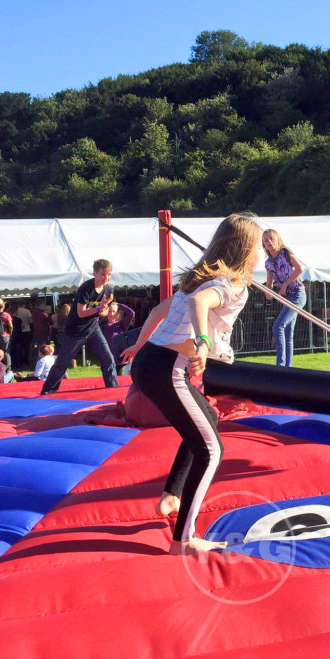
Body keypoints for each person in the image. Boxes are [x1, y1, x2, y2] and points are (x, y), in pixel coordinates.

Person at [121, 212, 263, 555]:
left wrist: (138, 347)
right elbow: (201, 304)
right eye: (259, 247)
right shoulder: (231, 284)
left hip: (150, 362)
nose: (262, 255)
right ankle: (183, 540)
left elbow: (157, 312)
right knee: (212, 450)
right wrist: (203, 342)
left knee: (207, 421)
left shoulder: (198, 280)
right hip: (166, 368)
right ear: (246, 251)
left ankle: (172, 495)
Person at [40, 260, 118, 395]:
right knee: (62, 362)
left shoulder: (108, 289)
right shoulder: (86, 288)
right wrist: (98, 308)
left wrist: (103, 309)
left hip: (93, 329)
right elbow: (81, 313)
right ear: (95, 274)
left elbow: (104, 313)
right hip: (75, 330)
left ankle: (113, 388)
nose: (106, 277)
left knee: (108, 358)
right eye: (103, 274)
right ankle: (48, 390)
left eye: (109, 274)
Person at [263, 229, 306, 367]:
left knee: (278, 327)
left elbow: (299, 269)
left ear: (277, 239)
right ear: (264, 245)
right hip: (286, 299)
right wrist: (268, 292)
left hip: (297, 295)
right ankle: (287, 369)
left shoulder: (286, 253)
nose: (269, 242)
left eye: (271, 238)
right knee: (287, 333)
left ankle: (280, 366)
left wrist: (285, 285)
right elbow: (269, 283)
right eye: (266, 240)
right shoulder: (268, 263)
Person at [99, 300, 135, 366]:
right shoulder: (102, 325)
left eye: (114, 311)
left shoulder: (121, 324)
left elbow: (131, 313)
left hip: (120, 359)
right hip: (108, 359)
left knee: (119, 373)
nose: (111, 314)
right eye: (109, 311)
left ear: (117, 313)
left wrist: (118, 305)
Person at [15, 301, 33, 367]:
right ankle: (26, 360)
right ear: (24, 304)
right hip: (27, 330)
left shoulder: (16, 311)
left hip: (18, 330)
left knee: (19, 346)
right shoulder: (27, 311)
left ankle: (20, 360)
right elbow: (31, 321)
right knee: (27, 346)